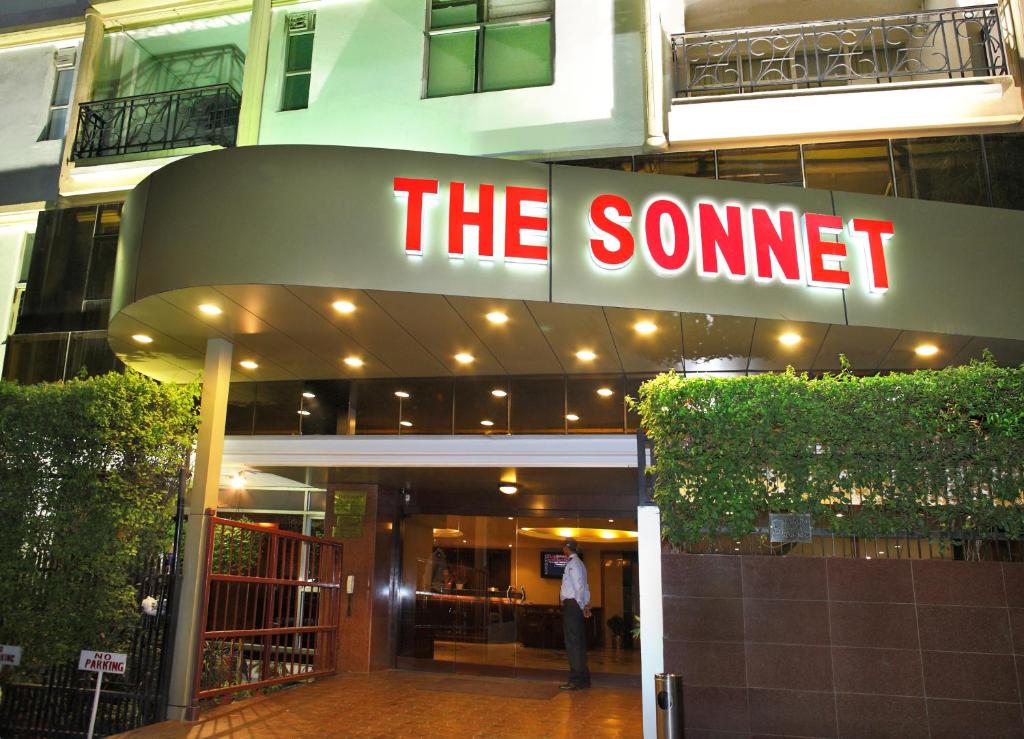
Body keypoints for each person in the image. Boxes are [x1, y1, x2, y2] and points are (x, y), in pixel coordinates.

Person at [559, 538, 591, 690]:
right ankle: (583, 679)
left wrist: (580, 604)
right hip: (577, 605)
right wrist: (584, 604)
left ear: (567, 548)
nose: (562, 549)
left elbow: (578, 587)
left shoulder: (573, 564)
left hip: (572, 605)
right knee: (578, 642)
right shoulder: (581, 564)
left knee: (572, 642)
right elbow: (585, 587)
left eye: (563, 547)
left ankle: (576, 680)